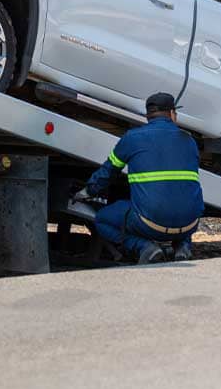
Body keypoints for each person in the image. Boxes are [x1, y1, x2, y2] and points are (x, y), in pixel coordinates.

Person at [86, 92, 205, 264]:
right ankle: (183, 246)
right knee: (182, 202)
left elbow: (107, 173)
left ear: (148, 116)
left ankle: (144, 247)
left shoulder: (132, 138)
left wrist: (89, 190)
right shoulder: (189, 141)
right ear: (172, 114)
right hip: (190, 223)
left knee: (102, 220)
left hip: (149, 225)